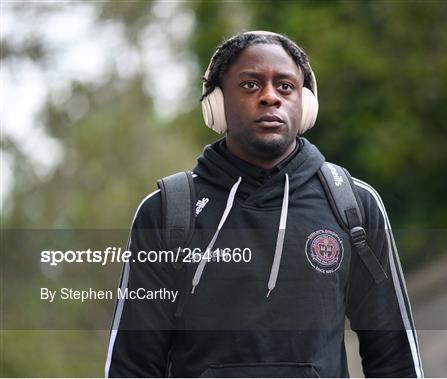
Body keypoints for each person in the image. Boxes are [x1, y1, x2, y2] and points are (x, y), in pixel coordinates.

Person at [105, 30, 423, 378]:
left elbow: (395, 359)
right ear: (216, 104)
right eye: (250, 85)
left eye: (285, 86)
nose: (270, 97)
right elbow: (132, 366)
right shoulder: (166, 213)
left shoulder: (353, 206)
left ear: (306, 106)